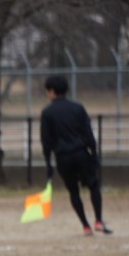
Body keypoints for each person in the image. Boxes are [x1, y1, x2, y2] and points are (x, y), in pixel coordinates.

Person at [40, 75, 110, 235]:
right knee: (93, 186)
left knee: (73, 191)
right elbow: (88, 133)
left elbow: (46, 141)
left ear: (51, 91)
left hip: (63, 157)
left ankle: (85, 225)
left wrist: (48, 163)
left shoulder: (47, 113)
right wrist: (94, 154)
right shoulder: (78, 108)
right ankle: (98, 220)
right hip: (81, 153)